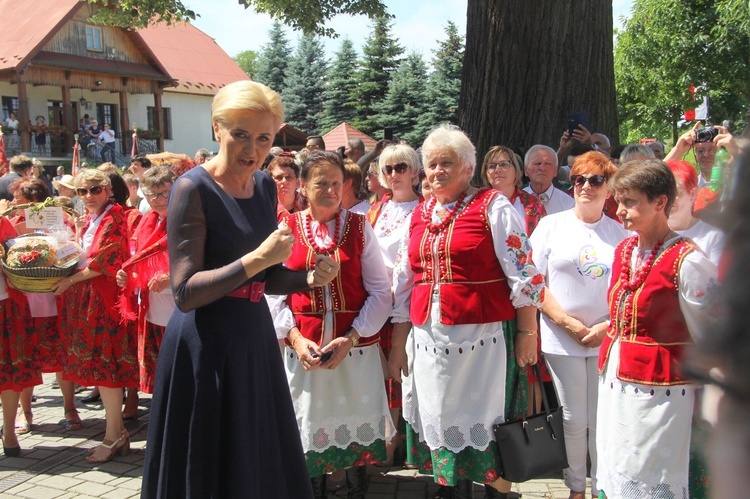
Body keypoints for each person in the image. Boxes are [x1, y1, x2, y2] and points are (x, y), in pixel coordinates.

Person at [141, 80, 340, 498]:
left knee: (253, 457)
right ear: (218, 129)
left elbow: (265, 280)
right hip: (204, 344)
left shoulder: (265, 186)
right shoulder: (192, 188)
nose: (252, 150)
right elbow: (185, 292)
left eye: (264, 138)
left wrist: (308, 277)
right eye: (241, 135)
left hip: (251, 337)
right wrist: (259, 259)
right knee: (207, 462)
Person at [390, 125, 543, 499]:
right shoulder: (421, 212)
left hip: (484, 339)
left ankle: (495, 491)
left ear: (468, 167)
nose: (437, 171)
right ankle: (449, 490)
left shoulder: (493, 205)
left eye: (447, 163)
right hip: (429, 340)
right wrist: (397, 345)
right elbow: (403, 281)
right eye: (431, 164)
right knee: (441, 414)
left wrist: (527, 333)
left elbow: (524, 273)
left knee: (488, 419)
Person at [272, 150, 393, 498]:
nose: (329, 190)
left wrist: (351, 338)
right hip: (305, 351)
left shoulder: (359, 225)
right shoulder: (287, 229)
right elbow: (273, 294)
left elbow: (380, 292)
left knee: (356, 426)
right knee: (307, 425)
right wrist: (294, 339)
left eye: (336, 184)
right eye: (320, 183)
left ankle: (356, 491)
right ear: (303, 187)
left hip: (353, 350)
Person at [596, 159, 717, 499]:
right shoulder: (623, 251)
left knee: (651, 471)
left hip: (662, 394)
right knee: (618, 462)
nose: (619, 211)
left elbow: (714, 332)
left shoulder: (688, 260)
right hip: (617, 384)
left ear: (660, 202)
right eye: (617, 202)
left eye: (630, 202)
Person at [529, 152, 628, 499]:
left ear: (609, 188)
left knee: (601, 418)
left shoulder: (620, 233)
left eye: (596, 180)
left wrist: (604, 328)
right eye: (579, 180)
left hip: (605, 337)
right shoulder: (550, 226)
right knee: (573, 418)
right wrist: (565, 321)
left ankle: (602, 486)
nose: (586, 187)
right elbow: (533, 281)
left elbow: (627, 288)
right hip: (561, 336)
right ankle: (575, 488)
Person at [50, 169, 135, 463]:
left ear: (108, 190)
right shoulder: (92, 217)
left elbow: (105, 262)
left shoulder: (115, 216)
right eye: (82, 191)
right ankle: (117, 432)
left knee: (107, 365)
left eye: (95, 190)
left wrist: (69, 282)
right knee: (102, 366)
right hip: (90, 298)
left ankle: (114, 435)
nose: (88, 196)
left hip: (104, 299)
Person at [480, 145, 548, 416]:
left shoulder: (531, 204)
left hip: (529, 294)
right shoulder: (479, 203)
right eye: (492, 165)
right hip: (495, 296)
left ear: (517, 171)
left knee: (531, 365)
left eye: (504, 164)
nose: (498, 169)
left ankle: (532, 428)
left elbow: (541, 249)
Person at [366, 144, 422, 465]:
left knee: (403, 371)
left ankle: (401, 439)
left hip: (408, 306)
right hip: (376, 305)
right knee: (380, 374)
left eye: (401, 167)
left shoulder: (424, 209)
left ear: (414, 171)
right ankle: (384, 436)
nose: (394, 174)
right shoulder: (375, 210)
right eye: (388, 169)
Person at [117, 166, 175, 400]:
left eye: (164, 193)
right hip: (152, 309)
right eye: (152, 194)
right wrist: (126, 275)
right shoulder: (146, 222)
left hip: (180, 307)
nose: (158, 200)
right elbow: (136, 259)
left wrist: (170, 278)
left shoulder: (188, 218)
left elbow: (206, 258)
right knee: (161, 372)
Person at [666, 159, 725, 265]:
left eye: (675, 192)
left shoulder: (713, 237)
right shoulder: (649, 235)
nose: (668, 199)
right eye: (663, 193)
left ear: (692, 194)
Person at [524, 145, 575, 215]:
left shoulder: (569, 204)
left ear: (555, 171)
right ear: (526, 170)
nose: (542, 168)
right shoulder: (515, 201)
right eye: (537, 164)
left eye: (547, 164)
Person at [266, 152, 301, 218]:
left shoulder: (308, 207)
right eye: (279, 177)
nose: (284, 181)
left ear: (297, 182)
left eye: (289, 177)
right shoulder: (264, 208)